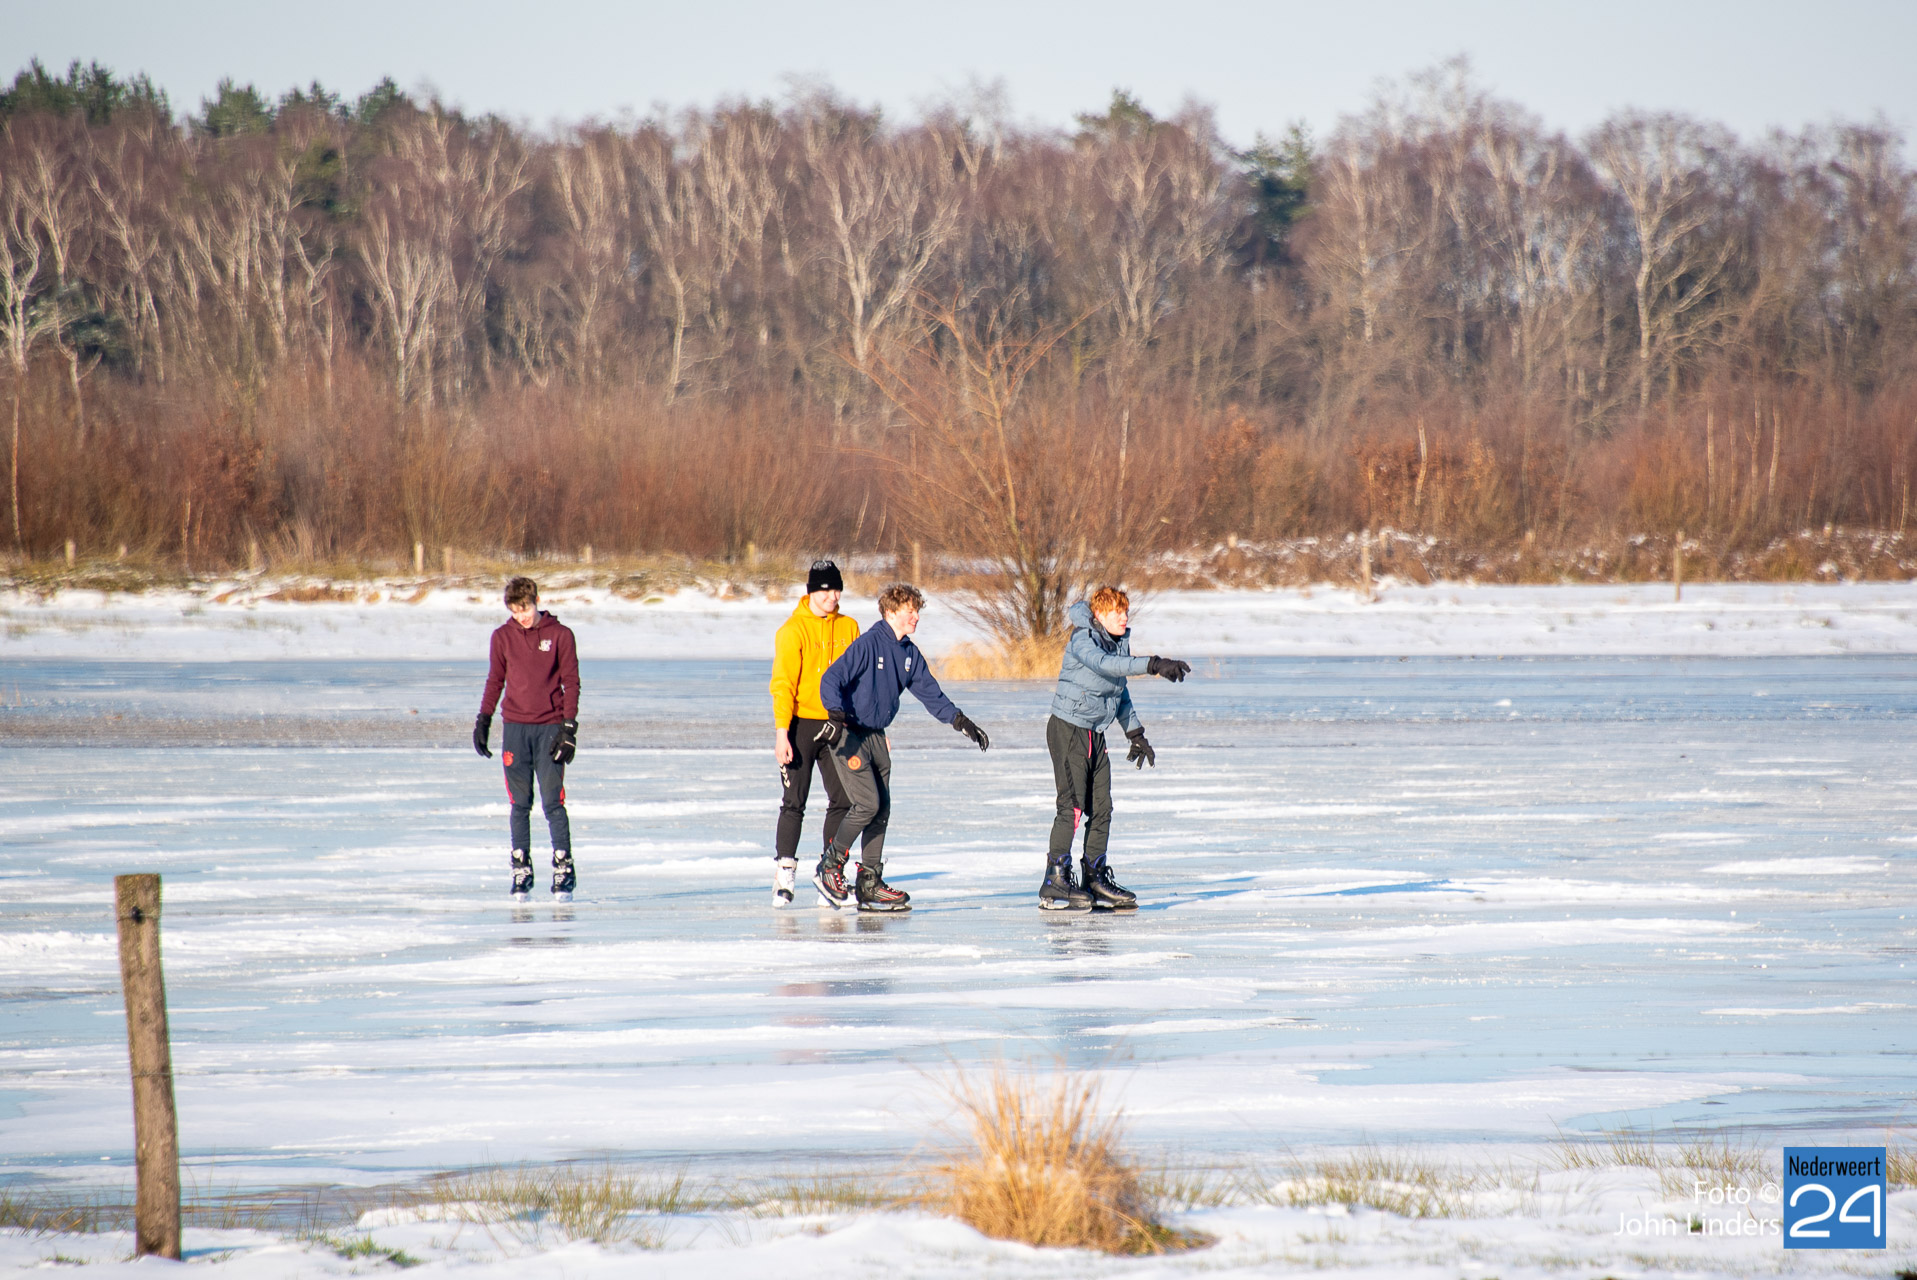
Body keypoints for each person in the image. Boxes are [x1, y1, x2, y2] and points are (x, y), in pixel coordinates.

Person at [813, 583, 990, 912]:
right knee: (867, 804)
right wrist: (835, 716)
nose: (916, 617)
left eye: (917, 611)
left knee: (881, 809)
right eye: (910, 611)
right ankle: (830, 865)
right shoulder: (869, 644)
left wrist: (960, 721)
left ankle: (869, 882)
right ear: (891, 612)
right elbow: (831, 679)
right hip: (850, 735)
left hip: (877, 736)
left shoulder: (909, 653)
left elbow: (930, 693)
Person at [1040, 586, 1190, 911]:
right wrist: (1153, 664)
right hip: (1069, 729)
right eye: (1115, 612)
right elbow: (1106, 666)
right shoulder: (1083, 639)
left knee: (1102, 808)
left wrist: (1136, 734)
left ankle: (1094, 877)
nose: (1123, 617)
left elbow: (1119, 692)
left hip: (1095, 733)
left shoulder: (1117, 643)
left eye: (1125, 611)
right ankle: (1055, 879)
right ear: (1098, 615)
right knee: (1072, 807)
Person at [473, 576, 580, 900]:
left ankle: (563, 867)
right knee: (519, 803)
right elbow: (495, 680)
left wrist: (568, 728)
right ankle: (521, 868)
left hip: (549, 728)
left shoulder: (560, 635)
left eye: (526, 608)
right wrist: (484, 719)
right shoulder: (502, 637)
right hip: (515, 730)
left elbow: (571, 682)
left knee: (552, 802)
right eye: (515, 610)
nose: (522, 616)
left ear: (536, 602)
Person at [768, 560, 861, 906]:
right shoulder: (792, 630)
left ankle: (830, 874)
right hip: (800, 725)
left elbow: (858, 682)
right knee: (794, 801)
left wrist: (867, 727)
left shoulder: (850, 627)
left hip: (838, 724)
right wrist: (782, 733)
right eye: (825, 590)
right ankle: (785, 874)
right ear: (811, 592)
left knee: (844, 799)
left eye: (837, 590)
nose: (832, 597)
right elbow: (783, 685)